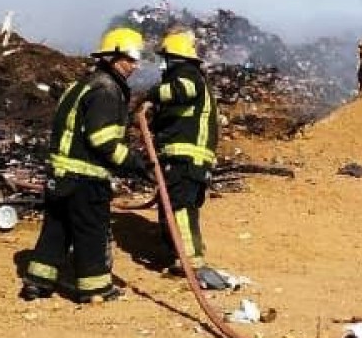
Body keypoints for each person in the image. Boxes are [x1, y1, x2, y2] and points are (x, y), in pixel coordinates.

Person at [21, 26, 144, 303]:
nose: (134, 66)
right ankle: (95, 288)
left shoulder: (81, 85)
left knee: (56, 229)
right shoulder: (107, 90)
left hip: (59, 174)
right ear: (113, 57)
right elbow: (102, 139)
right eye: (130, 58)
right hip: (85, 177)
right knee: (91, 231)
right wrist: (134, 163)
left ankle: (37, 281)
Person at [137, 29, 220, 278]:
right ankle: (180, 257)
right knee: (173, 206)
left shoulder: (188, 73)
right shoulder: (184, 75)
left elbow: (184, 90)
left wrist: (152, 94)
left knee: (180, 207)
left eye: (165, 58)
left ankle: (190, 262)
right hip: (183, 158)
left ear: (174, 57)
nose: (163, 64)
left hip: (186, 158)